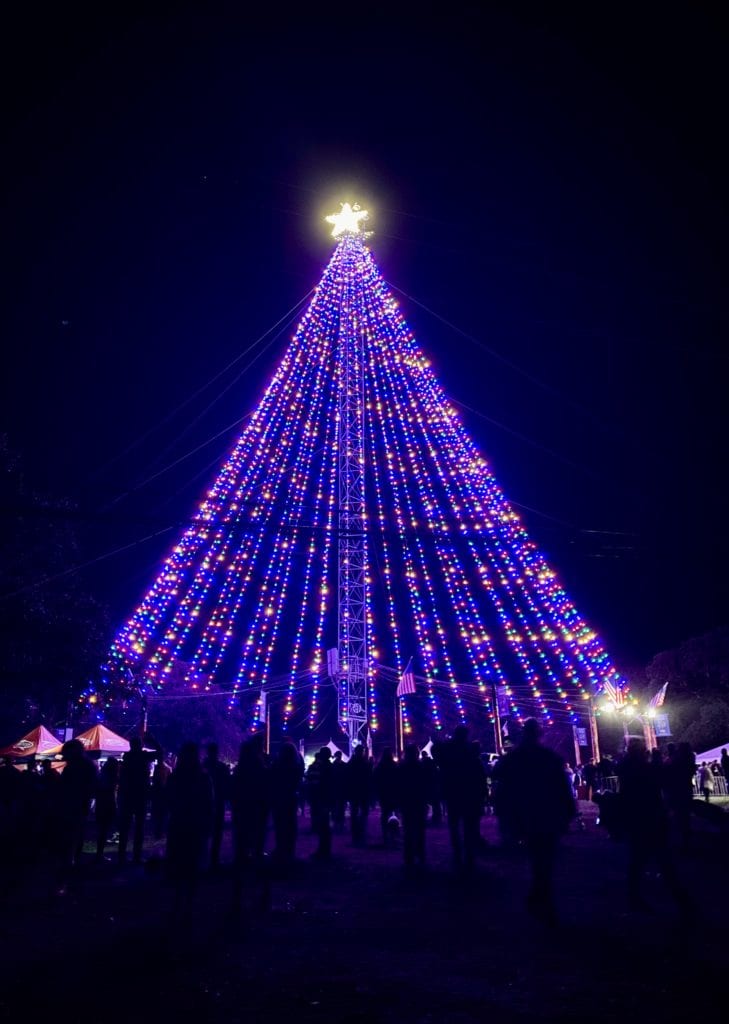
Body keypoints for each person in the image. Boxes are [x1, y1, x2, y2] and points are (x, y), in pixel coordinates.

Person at [494, 718, 576, 925]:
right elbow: (562, 787)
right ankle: (541, 897)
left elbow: (500, 780)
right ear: (538, 734)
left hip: (528, 813)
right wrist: (568, 811)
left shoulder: (517, 757)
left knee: (539, 858)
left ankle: (539, 896)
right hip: (544, 813)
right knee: (544, 858)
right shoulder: (547, 757)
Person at [616, 737, 692, 919]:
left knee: (638, 860)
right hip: (650, 817)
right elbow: (662, 782)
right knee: (662, 858)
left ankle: (634, 896)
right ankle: (680, 899)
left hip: (637, 819)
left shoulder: (626, 768)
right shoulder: (644, 768)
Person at [165, 741, 213, 921]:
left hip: (179, 823)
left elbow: (168, 797)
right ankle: (189, 905)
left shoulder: (176, 776)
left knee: (178, 862)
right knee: (192, 863)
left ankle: (177, 902)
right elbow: (209, 802)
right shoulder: (203, 777)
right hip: (195, 824)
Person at [433, 725, 485, 873]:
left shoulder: (449, 748)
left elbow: (436, 752)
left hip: (453, 791)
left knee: (455, 825)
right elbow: (477, 771)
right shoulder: (469, 750)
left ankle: (458, 855)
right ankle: (469, 856)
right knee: (468, 826)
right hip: (468, 792)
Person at [117, 736, 153, 864]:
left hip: (127, 795)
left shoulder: (127, 757)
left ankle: (121, 856)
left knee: (125, 827)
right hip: (140, 795)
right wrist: (152, 741)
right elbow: (160, 752)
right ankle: (136, 856)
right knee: (139, 827)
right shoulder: (143, 756)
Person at [270, 741, 304, 866]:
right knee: (290, 825)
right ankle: (290, 851)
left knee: (280, 825)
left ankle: (281, 848)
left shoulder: (278, 765)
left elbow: (272, 779)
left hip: (279, 798)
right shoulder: (296, 766)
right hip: (291, 797)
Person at [398, 743, 429, 873]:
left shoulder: (402, 767)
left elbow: (398, 785)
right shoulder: (420, 767)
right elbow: (426, 783)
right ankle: (419, 855)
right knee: (420, 830)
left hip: (407, 801)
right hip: (418, 801)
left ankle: (409, 857)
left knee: (408, 830)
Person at [202, 742, 230, 869]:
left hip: (207, 803)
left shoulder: (203, 766)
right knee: (216, 831)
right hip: (217, 801)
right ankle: (214, 859)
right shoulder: (221, 767)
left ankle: (205, 858)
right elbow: (227, 785)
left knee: (206, 831)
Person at [373, 747, 399, 846]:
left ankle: (385, 835)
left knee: (385, 814)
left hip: (384, 793)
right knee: (394, 814)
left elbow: (375, 780)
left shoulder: (379, 767)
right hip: (393, 793)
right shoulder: (394, 766)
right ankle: (394, 834)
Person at [347, 744, 372, 847]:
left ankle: (356, 834)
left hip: (355, 792)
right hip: (362, 791)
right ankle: (360, 832)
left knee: (355, 813)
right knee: (362, 813)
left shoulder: (351, 763)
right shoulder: (364, 763)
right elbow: (369, 778)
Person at [95, 756, 119, 862]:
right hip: (107, 804)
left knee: (102, 830)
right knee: (104, 829)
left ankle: (99, 854)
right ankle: (99, 854)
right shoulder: (110, 777)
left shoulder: (101, 775)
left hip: (101, 804)